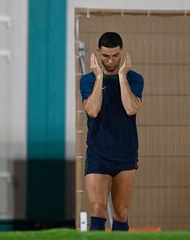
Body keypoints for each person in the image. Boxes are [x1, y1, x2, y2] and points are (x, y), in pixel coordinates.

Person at [80, 32, 144, 231]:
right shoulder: (88, 80)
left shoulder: (134, 78)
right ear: (99, 53)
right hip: (98, 154)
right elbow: (92, 110)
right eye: (105, 56)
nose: (110, 60)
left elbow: (131, 108)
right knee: (97, 209)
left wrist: (122, 77)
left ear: (122, 53)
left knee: (121, 212)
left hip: (125, 154)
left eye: (115, 55)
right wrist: (100, 77)